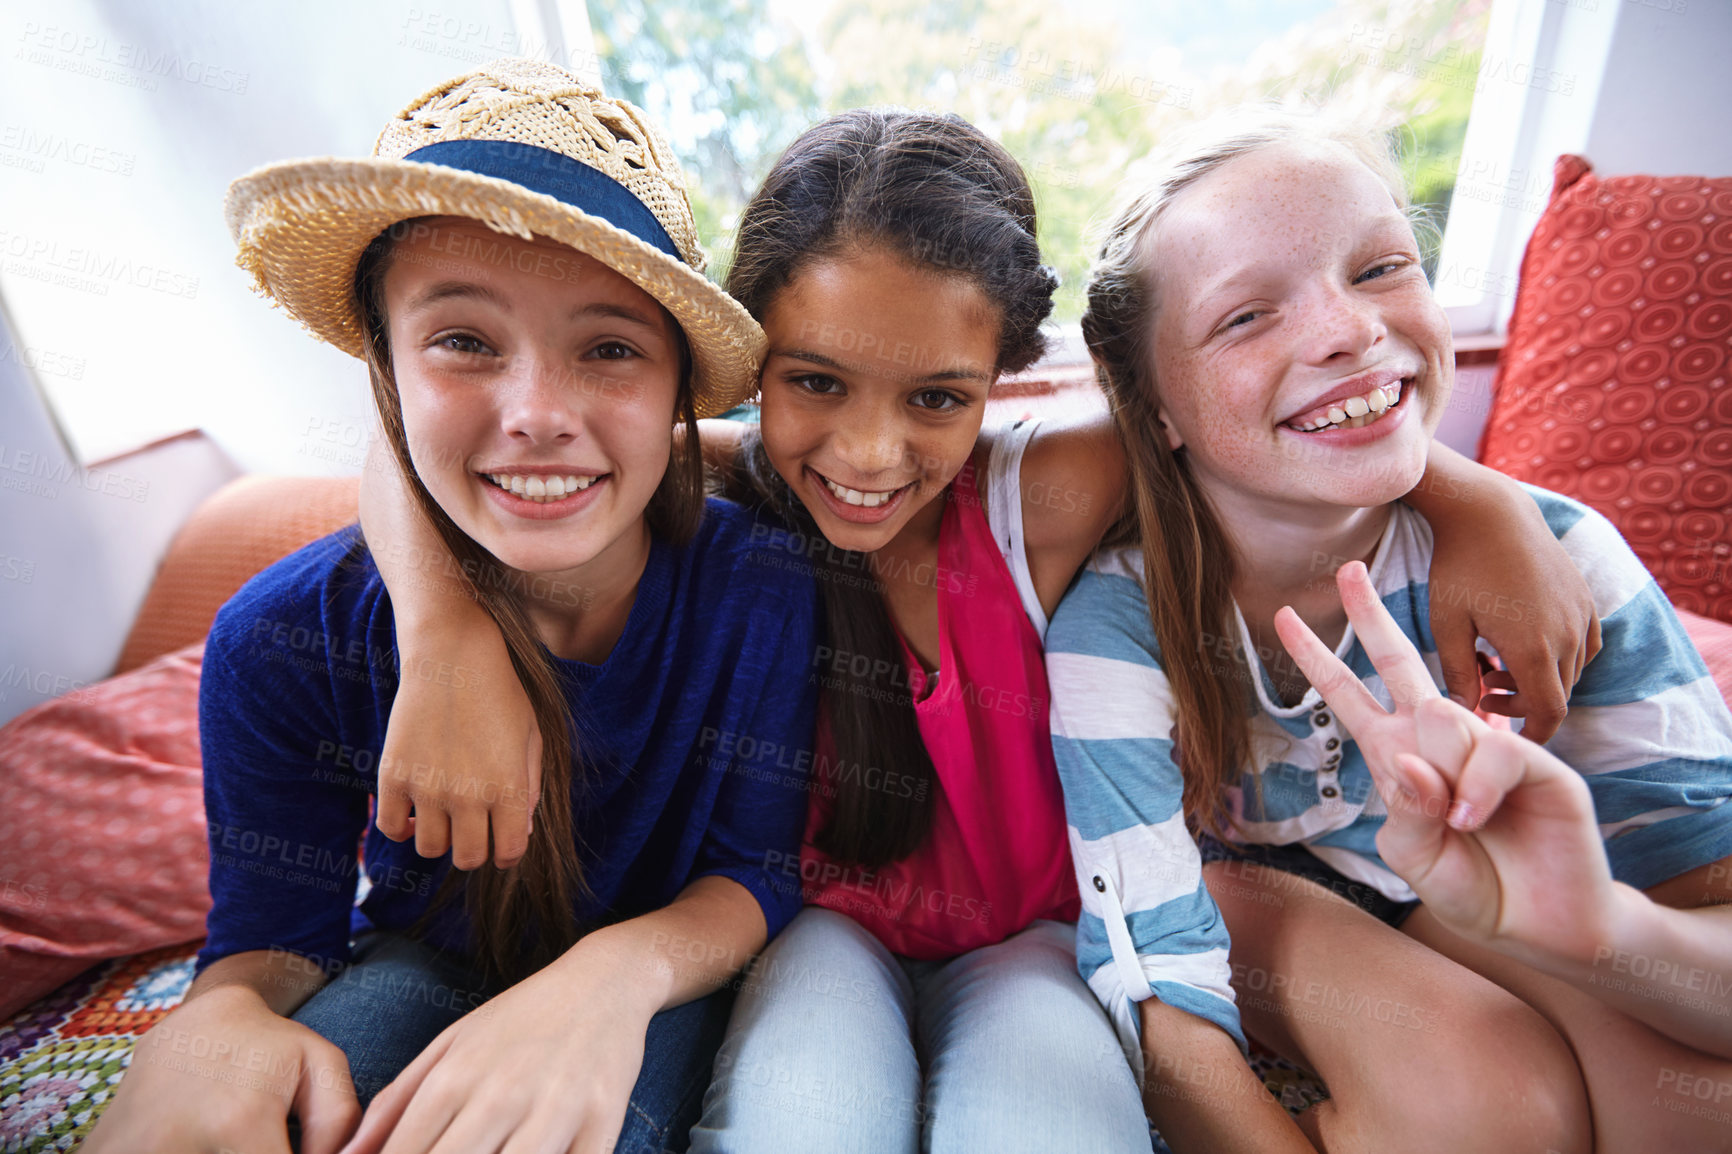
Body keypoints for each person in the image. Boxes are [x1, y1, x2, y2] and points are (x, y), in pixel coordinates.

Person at [363, 108, 1604, 1152]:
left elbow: (1277, 428)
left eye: (936, 398)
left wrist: (1475, 497)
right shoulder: (718, 485)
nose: (863, 452)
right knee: (804, 1119)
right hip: (813, 925)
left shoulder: (1042, 496)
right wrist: (444, 633)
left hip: (1037, 938)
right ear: (745, 370)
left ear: (1004, 379)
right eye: (814, 383)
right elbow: (390, 439)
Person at [81, 58, 819, 1154]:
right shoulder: (280, 639)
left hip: (669, 966)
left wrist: (611, 978)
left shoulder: (764, 585)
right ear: (385, 373)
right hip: (421, 956)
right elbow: (272, 938)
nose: (535, 414)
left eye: (610, 348)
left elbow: (758, 868)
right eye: (465, 341)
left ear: (675, 389)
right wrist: (218, 1019)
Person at [1045, 108, 1732, 1153]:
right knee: (1489, 1105)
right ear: (1149, 399)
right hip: (1247, 901)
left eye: (1378, 268)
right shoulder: (1115, 624)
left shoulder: (1565, 561)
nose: (1349, 329)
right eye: (1244, 317)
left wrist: (1597, 929)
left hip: (1446, 880)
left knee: (1682, 1096)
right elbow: (1163, 999)